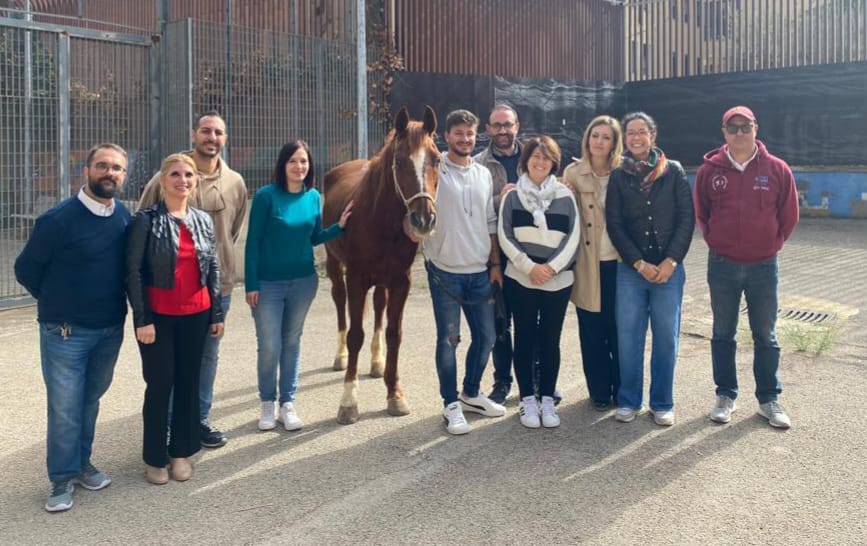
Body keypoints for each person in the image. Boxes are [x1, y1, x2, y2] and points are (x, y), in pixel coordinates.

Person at [15, 143, 131, 512]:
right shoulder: (58, 220)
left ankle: (82, 464)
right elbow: (26, 270)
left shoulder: (123, 216)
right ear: (86, 171)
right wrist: (56, 302)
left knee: (90, 400)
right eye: (102, 166)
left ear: (123, 176)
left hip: (110, 328)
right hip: (64, 332)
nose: (109, 173)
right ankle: (61, 478)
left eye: (116, 168)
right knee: (65, 407)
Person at [138, 110, 247, 449]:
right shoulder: (166, 177)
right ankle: (169, 425)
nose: (211, 138)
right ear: (193, 134)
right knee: (169, 362)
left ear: (224, 139)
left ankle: (197, 420)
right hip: (167, 293)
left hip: (215, 289)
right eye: (205, 131)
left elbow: (231, 231)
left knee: (206, 357)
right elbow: (142, 225)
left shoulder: (235, 183)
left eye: (218, 132)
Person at [694, 106, 799, 429]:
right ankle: (725, 396)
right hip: (723, 264)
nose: (739, 132)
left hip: (763, 266)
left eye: (745, 126)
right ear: (724, 132)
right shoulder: (709, 171)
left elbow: (789, 214)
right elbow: (702, 213)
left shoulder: (777, 169)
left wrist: (771, 244)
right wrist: (717, 242)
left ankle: (768, 399)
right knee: (723, 333)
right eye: (733, 127)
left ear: (756, 128)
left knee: (765, 335)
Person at [126, 153, 224, 485]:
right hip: (158, 319)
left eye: (188, 174)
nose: (182, 180)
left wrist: (216, 313)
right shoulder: (145, 219)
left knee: (187, 384)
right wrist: (143, 319)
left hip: (196, 315)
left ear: (195, 180)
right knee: (159, 385)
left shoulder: (202, 219)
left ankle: (180, 451)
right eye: (175, 174)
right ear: (163, 180)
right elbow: (134, 272)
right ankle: (154, 457)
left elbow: (212, 267)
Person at [245, 141, 352, 432]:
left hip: (304, 282)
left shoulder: (313, 197)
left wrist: (338, 227)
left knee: (291, 342)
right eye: (293, 161)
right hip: (267, 284)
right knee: (269, 346)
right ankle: (267, 402)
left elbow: (314, 236)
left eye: (303, 161)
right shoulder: (267, 196)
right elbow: (253, 242)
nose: (299, 166)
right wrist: (251, 284)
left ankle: (287, 404)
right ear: (282, 165)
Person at [605, 111, 695, 426]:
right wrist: (639, 263)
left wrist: (671, 261)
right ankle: (629, 399)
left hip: (669, 272)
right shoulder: (619, 175)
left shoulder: (674, 171)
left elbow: (687, 218)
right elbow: (614, 224)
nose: (636, 137)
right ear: (625, 139)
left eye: (642, 131)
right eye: (630, 133)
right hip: (632, 271)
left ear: (653, 136)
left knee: (666, 337)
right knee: (629, 337)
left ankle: (662, 402)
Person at [424, 109, 506, 435]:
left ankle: (471, 392)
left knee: (486, 337)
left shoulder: (483, 174)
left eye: (470, 134)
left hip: (480, 271)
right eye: (458, 133)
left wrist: (496, 264)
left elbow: (489, 222)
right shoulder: (435, 170)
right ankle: (450, 403)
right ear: (447, 136)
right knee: (450, 339)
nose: (465, 139)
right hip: (445, 271)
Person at [498, 136, 579, 429]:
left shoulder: (566, 196)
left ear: (554, 163)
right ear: (526, 160)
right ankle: (526, 401)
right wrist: (529, 267)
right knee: (525, 338)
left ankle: (546, 399)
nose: (540, 162)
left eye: (547, 158)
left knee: (549, 340)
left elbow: (574, 237)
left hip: (558, 281)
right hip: (521, 279)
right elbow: (505, 235)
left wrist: (552, 268)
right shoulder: (512, 196)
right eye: (535, 156)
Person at [562, 115, 624, 411]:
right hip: (588, 265)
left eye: (606, 137)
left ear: (615, 142)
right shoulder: (573, 174)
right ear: (587, 139)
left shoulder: (624, 173)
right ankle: (599, 391)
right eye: (595, 135)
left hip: (621, 264)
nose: (599, 142)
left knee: (621, 329)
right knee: (592, 330)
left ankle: (624, 390)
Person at [474, 104, 522, 405]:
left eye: (508, 124)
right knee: (499, 322)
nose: (502, 130)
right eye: (497, 125)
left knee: (533, 321)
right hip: (496, 254)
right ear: (488, 129)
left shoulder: (535, 156)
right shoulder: (478, 164)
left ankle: (536, 378)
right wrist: (499, 197)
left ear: (517, 126)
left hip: (533, 252)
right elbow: (475, 208)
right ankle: (502, 381)